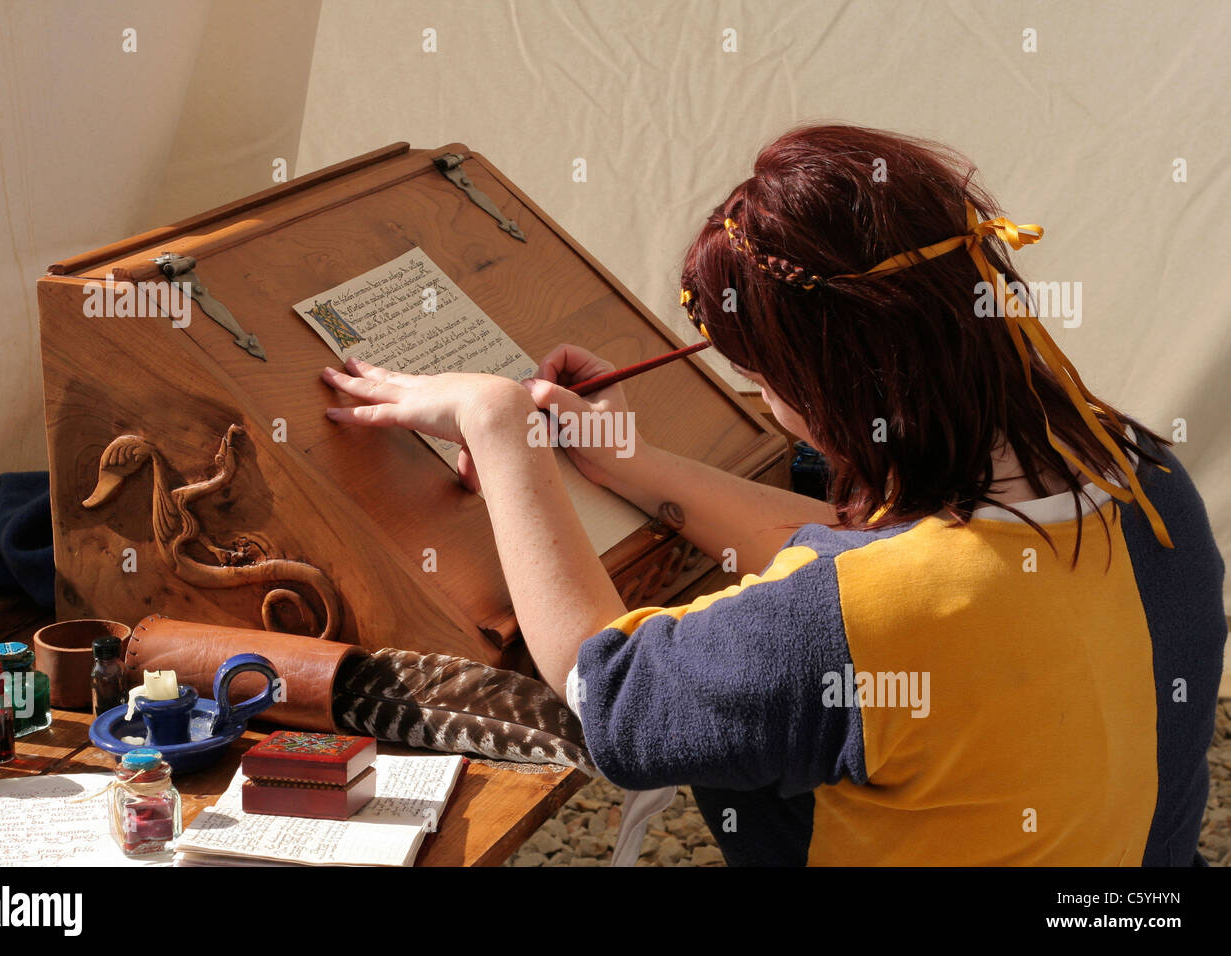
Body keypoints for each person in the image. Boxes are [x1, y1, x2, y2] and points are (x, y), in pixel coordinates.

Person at [322, 124, 1226, 865]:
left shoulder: (859, 619)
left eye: (765, 375)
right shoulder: (1144, 479)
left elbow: (617, 703)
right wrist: (627, 461)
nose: (765, 401)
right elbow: (878, 563)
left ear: (834, 383)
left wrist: (501, 429)